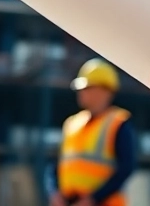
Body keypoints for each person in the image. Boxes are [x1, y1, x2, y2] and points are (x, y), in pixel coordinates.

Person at [51, 59, 135, 206]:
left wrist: (94, 199)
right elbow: (58, 165)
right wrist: (55, 193)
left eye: (87, 88)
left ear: (105, 90)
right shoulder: (71, 124)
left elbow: (126, 168)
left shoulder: (118, 124)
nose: (81, 93)